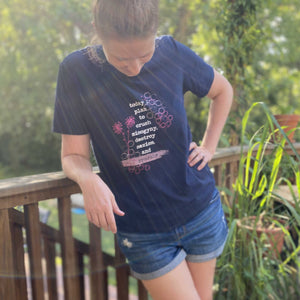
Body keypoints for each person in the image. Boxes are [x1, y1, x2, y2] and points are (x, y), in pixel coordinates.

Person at [53, 0, 233, 299]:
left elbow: (222, 90)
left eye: (145, 55)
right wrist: (88, 179)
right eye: (122, 59)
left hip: (201, 210)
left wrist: (208, 147)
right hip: (143, 230)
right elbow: (73, 155)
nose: (135, 68)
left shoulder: (173, 53)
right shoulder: (76, 71)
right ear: (98, 33)